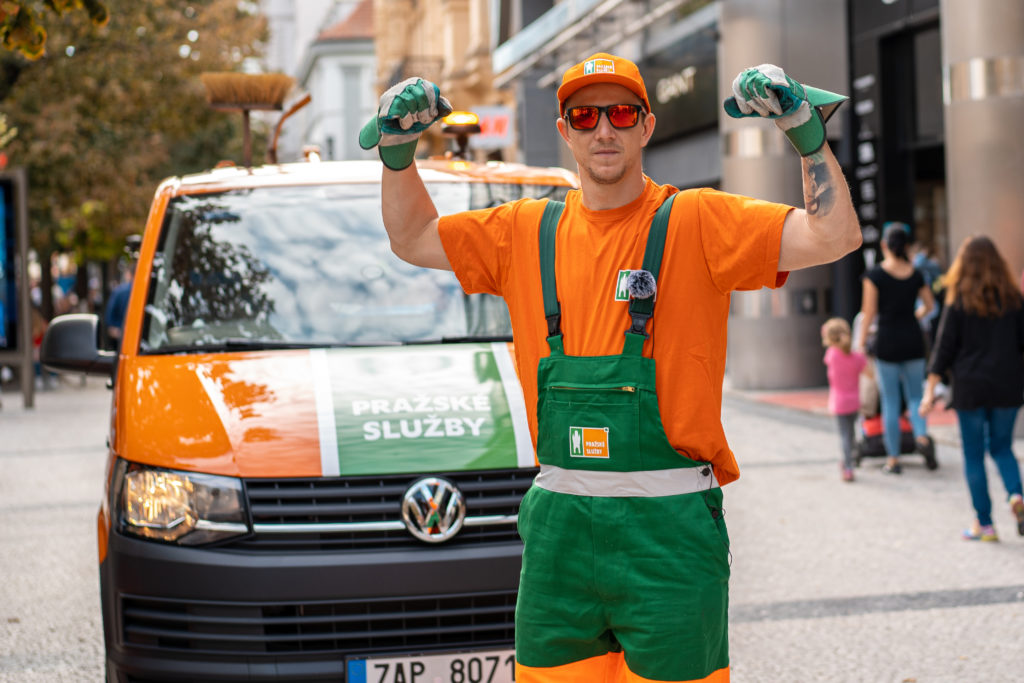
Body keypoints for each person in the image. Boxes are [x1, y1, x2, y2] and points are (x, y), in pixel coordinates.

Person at [359, 56, 861, 682]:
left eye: (621, 113)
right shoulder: (524, 230)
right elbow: (413, 238)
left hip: (671, 537)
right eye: (585, 115)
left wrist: (805, 134)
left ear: (646, 126)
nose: (604, 129)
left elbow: (833, 236)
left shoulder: (698, 221)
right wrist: (398, 155)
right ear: (565, 129)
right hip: (558, 538)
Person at [920, 236, 1024, 541]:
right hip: (1007, 386)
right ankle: (1016, 496)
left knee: (974, 455)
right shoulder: (1015, 301)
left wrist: (929, 392)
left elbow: (943, 350)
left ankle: (985, 524)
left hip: (970, 388)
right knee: (1003, 448)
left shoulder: (958, 301)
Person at [855, 222, 936, 474]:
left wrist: (861, 341)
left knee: (890, 400)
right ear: (907, 247)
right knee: (914, 395)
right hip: (912, 338)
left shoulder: (875, 276)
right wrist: (915, 315)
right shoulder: (916, 273)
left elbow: (869, 314)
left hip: (887, 340)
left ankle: (893, 459)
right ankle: (921, 435)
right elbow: (930, 306)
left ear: (883, 246)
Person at [821, 317, 868, 482]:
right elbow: (868, 372)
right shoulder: (856, 357)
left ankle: (848, 467)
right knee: (852, 433)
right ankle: (853, 456)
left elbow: (828, 341)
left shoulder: (832, 355)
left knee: (844, 436)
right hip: (855, 402)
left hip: (839, 403)